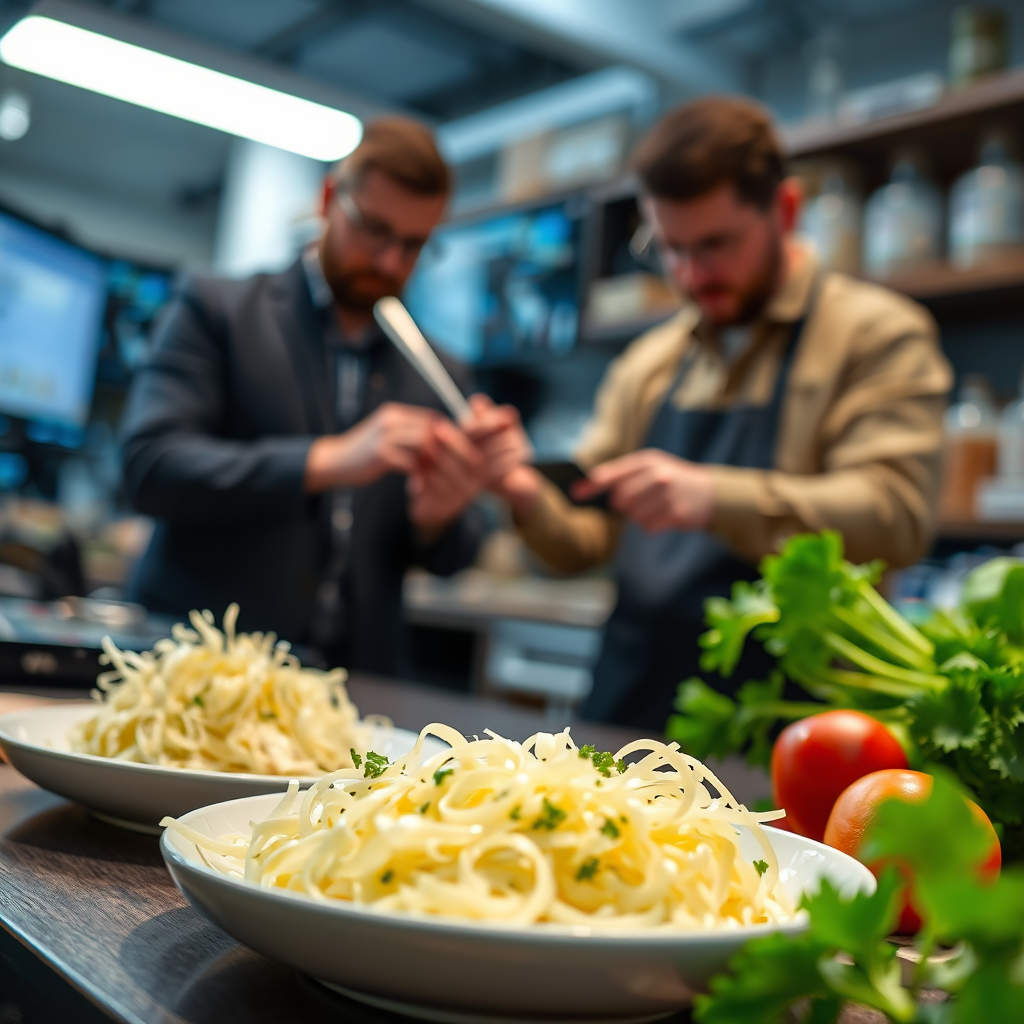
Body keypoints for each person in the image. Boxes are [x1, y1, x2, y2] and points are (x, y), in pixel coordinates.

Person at [467, 96, 953, 730]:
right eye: (671, 249)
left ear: (783, 211)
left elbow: (895, 516)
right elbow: (584, 543)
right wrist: (524, 493)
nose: (693, 275)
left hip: (791, 718)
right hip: (631, 700)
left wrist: (711, 497)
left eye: (717, 244)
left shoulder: (875, 336)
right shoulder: (650, 363)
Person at [122, 118, 487, 675]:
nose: (390, 262)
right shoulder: (218, 310)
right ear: (328, 199)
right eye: (374, 229)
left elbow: (455, 554)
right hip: (198, 674)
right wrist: (328, 461)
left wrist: (438, 518)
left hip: (352, 691)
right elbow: (150, 467)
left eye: (414, 246)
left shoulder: (439, 372)